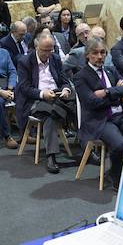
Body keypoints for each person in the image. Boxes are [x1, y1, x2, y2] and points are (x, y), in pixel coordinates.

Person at [74, 37, 123, 187]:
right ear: (87, 55)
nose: (99, 56)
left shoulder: (110, 70)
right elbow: (91, 102)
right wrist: (117, 93)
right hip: (99, 120)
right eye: (95, 53)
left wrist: (107, 92)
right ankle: (115, 175)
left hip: (120, 116)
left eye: (103, 52)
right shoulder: (80, 76)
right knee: (120, 145)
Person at [16, 34, 74, 173]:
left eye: (51, 50)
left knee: (79, 103)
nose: (48, 54)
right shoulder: (25, 61)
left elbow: (64, 80)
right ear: (36, 48)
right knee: (50, 115)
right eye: (45, 50)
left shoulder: (55, 58)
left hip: (56, 95)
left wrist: (66, 89)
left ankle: (85, 146)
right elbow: (24, 88)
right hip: (35, 98)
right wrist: (42, 94)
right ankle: (51, 156)